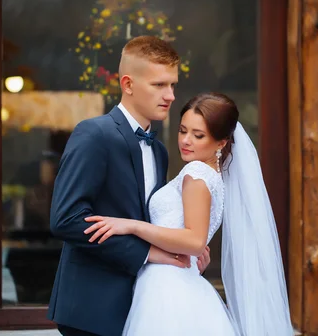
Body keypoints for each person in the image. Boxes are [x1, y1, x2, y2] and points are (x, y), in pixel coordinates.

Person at [84, 92, 294, 335]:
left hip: (168, 286)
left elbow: (194, 241)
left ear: (222, 142)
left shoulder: (196, 174)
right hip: (180, 278)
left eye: (198, 135)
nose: (186, 140)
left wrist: (131, 226)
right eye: (183, 130)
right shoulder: (212, 177)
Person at [47, 36, 211, 336]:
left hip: (142, 305)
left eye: (172, 85)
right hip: (91, 307)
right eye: (159, 85)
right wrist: (147, 253)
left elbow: (149, 218)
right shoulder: (94, 134)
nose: (170, 95)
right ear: (128, 84)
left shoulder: (159, 150)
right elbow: (65, 219)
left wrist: (183, 248)